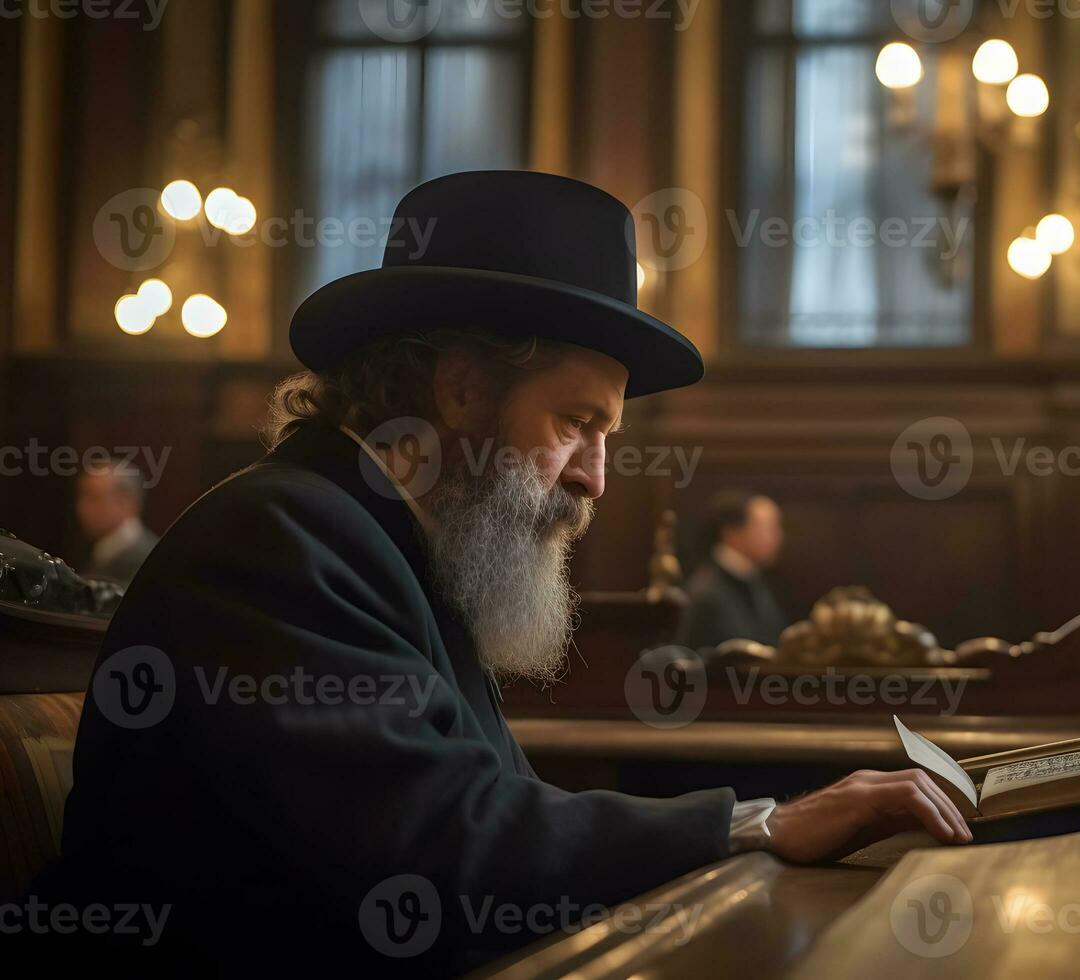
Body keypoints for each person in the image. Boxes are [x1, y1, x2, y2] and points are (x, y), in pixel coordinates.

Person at [31, 172, 970, 976]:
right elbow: (441, 841)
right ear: (462, 391)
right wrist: (753, 825)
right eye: (578, 425)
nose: (597, 479)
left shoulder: (388, 542)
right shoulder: (274, 540)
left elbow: (487, 817)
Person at [677, 489, 788, 649]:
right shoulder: (705, 592)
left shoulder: (753, 580)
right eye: (768, 528)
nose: (778, 537)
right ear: (731, 531)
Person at [75, 457, 157, 586]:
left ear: (126, 503)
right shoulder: (105, 548)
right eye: (81, 497)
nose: (81, 507)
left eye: (93, 497)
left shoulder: (148, 558)